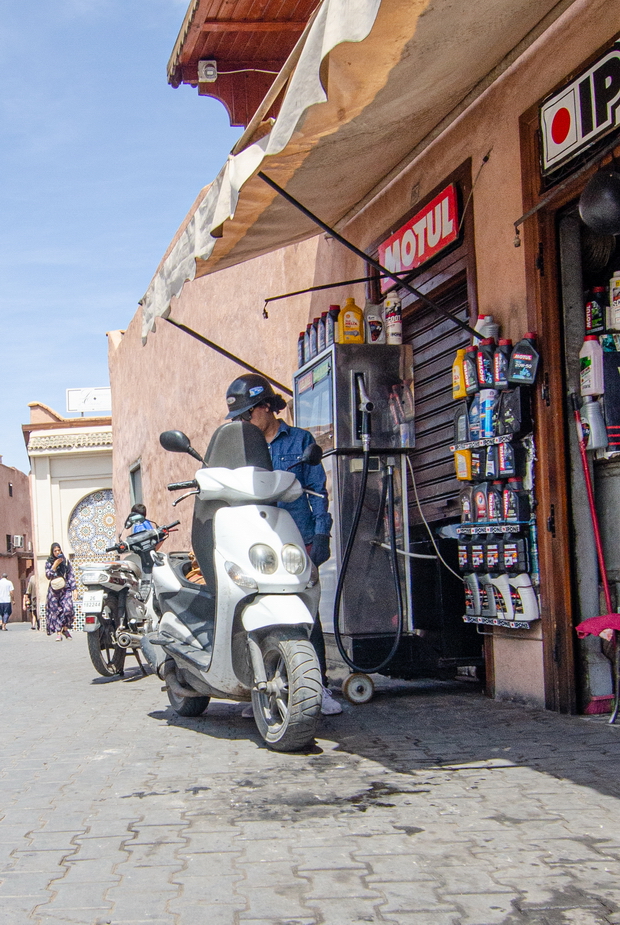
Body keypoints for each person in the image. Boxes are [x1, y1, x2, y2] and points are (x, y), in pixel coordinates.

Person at [225, 373, 342, 716]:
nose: (244, 422)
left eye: (247, 414)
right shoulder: (241, 448)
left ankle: (318, 686)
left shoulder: (301, 440)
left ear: (266, 407)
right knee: (254, 614)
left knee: (307, 615)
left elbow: (319, 492)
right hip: (255, 544)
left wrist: (322, 534)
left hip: (297, 542)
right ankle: (262, 690)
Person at [45, 543, 77, 641]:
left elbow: (70, 575)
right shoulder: (49, 562)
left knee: (68, 608)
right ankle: (58, 632)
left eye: (59, 550)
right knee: (55, 610)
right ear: (52, 552)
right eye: (55, 551)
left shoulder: (65, 562)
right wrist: (54, 565)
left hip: (65, 588)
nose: (57, 552)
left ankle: (65, 629)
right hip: (54, 590)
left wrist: (74, 589)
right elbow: (48, 575)